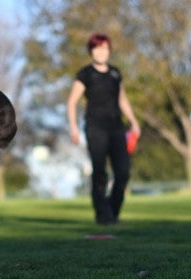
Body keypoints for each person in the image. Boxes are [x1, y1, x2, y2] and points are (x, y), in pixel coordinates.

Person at [67, 34, 141, 225]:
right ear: (91, 51)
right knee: (100, 172)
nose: (101, 52)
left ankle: (112, 212)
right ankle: (103, 215)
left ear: (109, 50)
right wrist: (73, 128)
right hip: (95, 127)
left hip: (116, 127)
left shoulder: (115, 73)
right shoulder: (85, 74)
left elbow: (122, 100)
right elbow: (72, 102)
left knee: (123, 171)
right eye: (97, 48)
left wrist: (133, 121)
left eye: (105, 48)